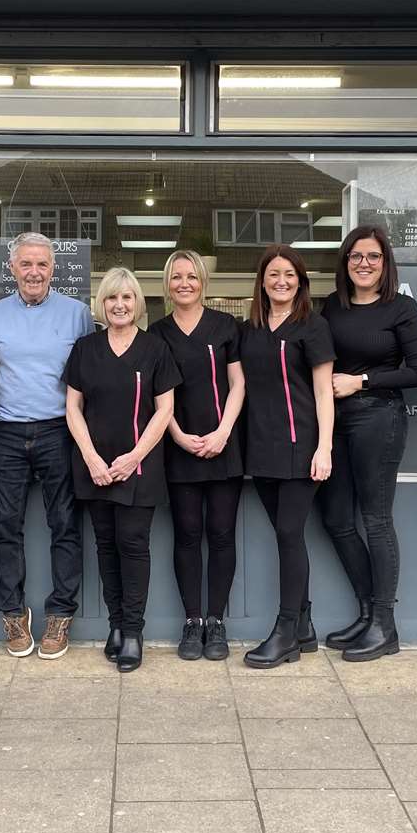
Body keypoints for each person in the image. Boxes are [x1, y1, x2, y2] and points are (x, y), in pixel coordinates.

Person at [0, 232, 96, 659]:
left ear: (53, 268)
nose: (34, 272)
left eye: (42, 265)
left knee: (64, 525)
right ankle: (12, 613)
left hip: (59, 431)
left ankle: (60, 615)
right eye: (25, 264)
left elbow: (87, 375)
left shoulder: (78, 314)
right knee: (4, 527)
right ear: (12, 268)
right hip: (7, 433)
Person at [317, 226, 417, 662]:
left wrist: (361, 379)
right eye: (356, 256)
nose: (364, 263)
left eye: (373, 257)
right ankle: (367, 612)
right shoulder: (332, 307)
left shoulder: (400, 308)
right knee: (336, 519)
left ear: (386, 264)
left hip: (378, 418)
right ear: (345, 263)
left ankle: (386, 625)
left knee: (376, 520)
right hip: (333, 423)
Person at [65, 267, 179, 672]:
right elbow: (72, 408)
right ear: (102, 304)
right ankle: (115, 624)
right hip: (95, 466)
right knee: (106, 545)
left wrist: (134, 457)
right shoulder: (85, 348)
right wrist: (92, 458)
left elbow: (165, 409)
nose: (119, 305)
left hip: (139, 466)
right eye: (112, 298)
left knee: (133, 545)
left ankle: (133, 631)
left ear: (138, 304)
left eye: (127, 298)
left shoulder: (154, 349)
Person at [239, 245, 336, 668]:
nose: (282, 281)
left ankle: (284, 631)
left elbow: (322, 392)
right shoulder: (251, 330)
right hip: (260, 447)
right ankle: (304, 626)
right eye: (274, 274)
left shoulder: (313, 327)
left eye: (290, 275)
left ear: (301, 281)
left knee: (288, 535)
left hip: (302, 448)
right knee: (286, 534)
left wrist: (325, 447)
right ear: (262, 280)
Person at [150, 250, 246, 661]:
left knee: (222, 534)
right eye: (176, 277)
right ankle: (192, 622)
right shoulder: (156, 333)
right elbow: (157, 397)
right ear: (167, 284)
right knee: (187, 536)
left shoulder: (227, 327)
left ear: (203, 282)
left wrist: (223, 431)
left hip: (224, 445)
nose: (184, 283)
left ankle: (217, 620)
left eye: (191, 276)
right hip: (179, 447)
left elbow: (237, 384)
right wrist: (177, 435)